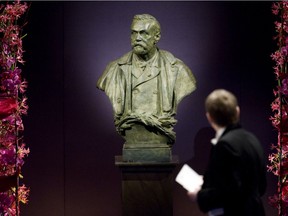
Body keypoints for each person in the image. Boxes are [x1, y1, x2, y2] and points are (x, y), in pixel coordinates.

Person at [97, 14, 196, 145]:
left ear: (157, 37)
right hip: (131, 137)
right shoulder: (114, 70)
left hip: (159, 140)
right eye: (134, 33)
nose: (137, 38)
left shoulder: (177, 70)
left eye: (144, 33)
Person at [188, 89, 266, 216]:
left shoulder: (224, 145)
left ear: (209, 117)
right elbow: (261, 187)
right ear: (237, 111)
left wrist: (199, 195)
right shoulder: (253, 139)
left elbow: (231, 193)